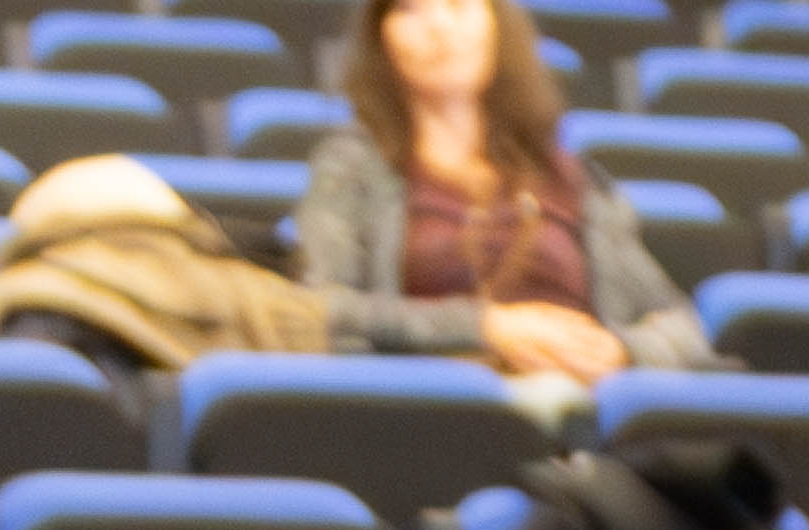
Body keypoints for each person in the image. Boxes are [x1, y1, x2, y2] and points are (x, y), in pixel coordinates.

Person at [298, 0, 702, 383]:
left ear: (496, 25)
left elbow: (680, 326)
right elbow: (321, 308)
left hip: (581, 414)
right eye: (410, 8)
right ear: (381, 39)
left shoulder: (569, 178)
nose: (439, 25)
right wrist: (485, 327)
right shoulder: (351, 168)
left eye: (459, 4)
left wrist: (620, 351)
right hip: (435, 411)